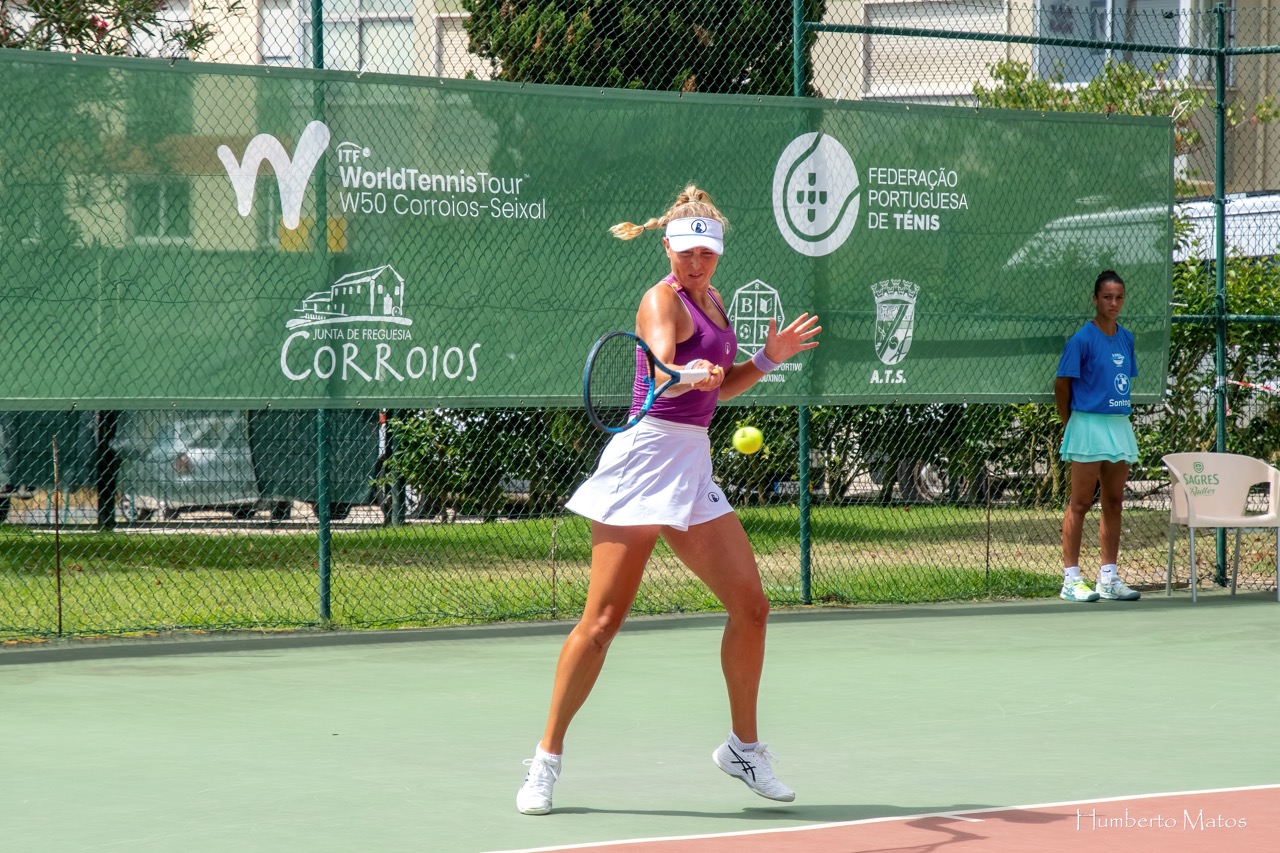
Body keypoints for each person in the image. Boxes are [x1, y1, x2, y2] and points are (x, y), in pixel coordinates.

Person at [515, 185, 821, 815]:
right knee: (602, 624)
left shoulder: (716, 302)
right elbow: (657, 369)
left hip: (692, 461)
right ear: (667, 247)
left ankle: (743, 749)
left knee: (752, 607)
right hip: (644, 459)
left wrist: (767, 358)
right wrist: (684, 373)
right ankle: (545, 760)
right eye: (686, 252)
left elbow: (720, 389)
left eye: (706, 253)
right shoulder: (662, 300)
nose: (696, 263)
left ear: (718, 253)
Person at [1055, 269, 1142, 603]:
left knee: (1114, 503)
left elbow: (1121, 381)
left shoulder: (1127, 338)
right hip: (1087, 425)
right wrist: (1072, 425)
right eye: (1107, 297)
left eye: (1119, 297)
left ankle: (1108, 578)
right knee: (1080, 503)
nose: (1113, 303)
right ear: (1095, 299)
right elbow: (1062, 386)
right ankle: (1071, 580)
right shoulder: (1081, 340)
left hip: (1118, 426)